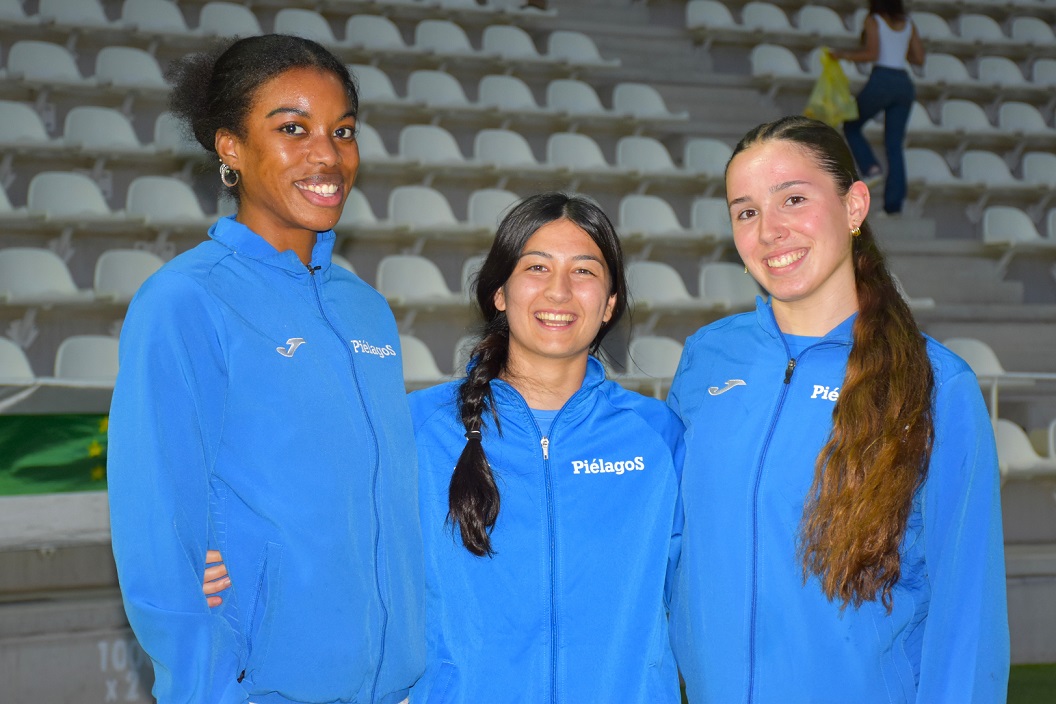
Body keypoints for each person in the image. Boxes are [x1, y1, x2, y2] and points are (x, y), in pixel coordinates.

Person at [206, 192, 685, 702]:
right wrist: (231, 560)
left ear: (610, 302)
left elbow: (702, 591)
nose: (559, 291)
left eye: (584, 272)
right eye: (537, 267)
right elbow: (333, 543)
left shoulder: (657, 436)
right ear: (499, 291)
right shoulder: (418, 428)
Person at [107, 35, 423, 704]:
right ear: (230, 147)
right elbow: (159, 535)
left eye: (342, 131)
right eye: (292, 128)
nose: (327, 155)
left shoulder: (366, 311)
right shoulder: (186, 300)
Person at [667, 115, 1008, 703]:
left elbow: (967, 619)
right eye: (746, 211)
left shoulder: (935, 385)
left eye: (793, 199)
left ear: (854, 207)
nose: (770, 230)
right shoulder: (707, 359)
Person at [832, 0, 924, 215]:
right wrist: (900, 50)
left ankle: (871, 168)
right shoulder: (908, 23)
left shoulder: (874, 20)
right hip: (904, 83)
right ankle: (894, 206)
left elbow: (871, 54)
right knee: (894, 145)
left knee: (852, 125)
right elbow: (919, 58)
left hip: (883, 79)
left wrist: (842, 55)